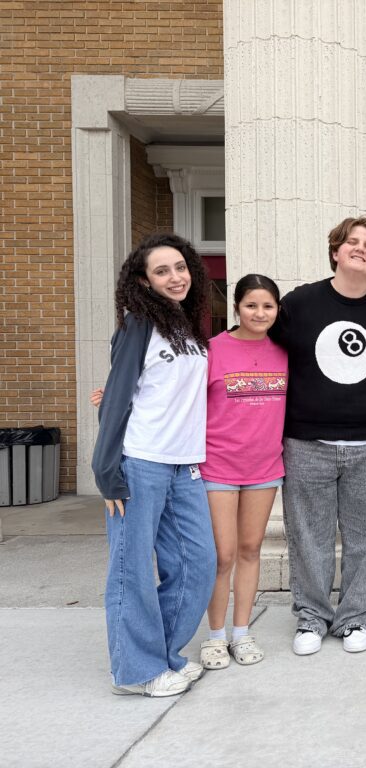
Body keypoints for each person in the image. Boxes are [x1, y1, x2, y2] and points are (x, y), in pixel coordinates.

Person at [269, 217, 366, 657]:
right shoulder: (300, 304)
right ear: (335, 251)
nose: (360, 249)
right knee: (307, 536)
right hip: (307, 442)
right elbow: (261, 349)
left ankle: (354, 619)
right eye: (352, 242)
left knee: (365, 537)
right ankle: (311, 617)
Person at [91, 233, 217, 697]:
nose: (174, 277)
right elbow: (118, 397)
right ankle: (136, 671)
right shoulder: (137, 324)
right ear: (143, 281)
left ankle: (163, 653)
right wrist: (107, 473)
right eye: (161, 271)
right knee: (132, 571)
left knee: (198, 563)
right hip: (140, 463)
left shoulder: (186, 326)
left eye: (180, 268)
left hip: (185, 465)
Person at [197, 275, 288, 670]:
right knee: (223, 554)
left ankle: (241, 632)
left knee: (251, 550)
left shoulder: (285, 351)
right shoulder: (211, 350)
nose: (260, 313)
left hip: (264, 467)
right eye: (252, 305)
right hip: (217, 465)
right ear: (237, 307)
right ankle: (215, 638)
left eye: (268, 306)